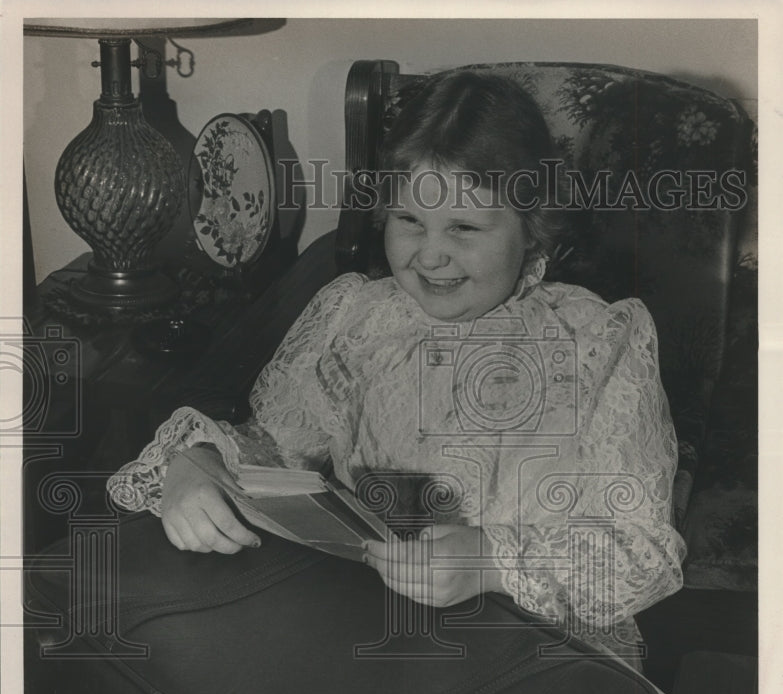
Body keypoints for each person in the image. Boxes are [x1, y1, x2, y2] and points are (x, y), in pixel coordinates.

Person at [108, 70, 686, 661]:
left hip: (534, 645)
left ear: (531, 227)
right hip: (369, 627)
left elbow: (640, 552)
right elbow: (275, 454)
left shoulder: (599, 342)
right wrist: (196, 465)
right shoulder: (356, 316)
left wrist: (491, 561)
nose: (429, 254)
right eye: (409, 221)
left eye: (464, 227)